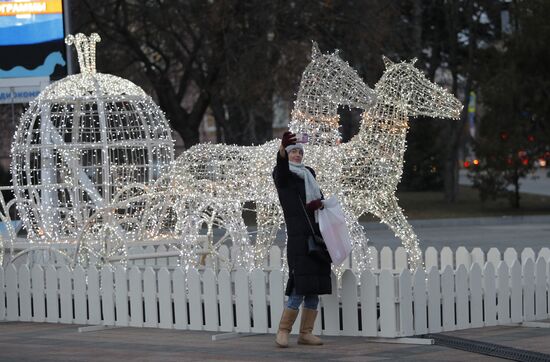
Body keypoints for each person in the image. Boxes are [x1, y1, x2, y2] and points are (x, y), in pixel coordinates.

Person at [272, 131, 331, 348]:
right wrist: (281, 151)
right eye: (293, 152)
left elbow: (317, 200)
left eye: (299, 152)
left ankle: (306, 333)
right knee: (299, 286)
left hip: (318, 236)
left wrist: (319, 204)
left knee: (314, 287)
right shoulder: (284, 176)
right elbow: (280, 171)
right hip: (299, 239)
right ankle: (283, 330)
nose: (296, 155)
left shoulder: (309, 175)